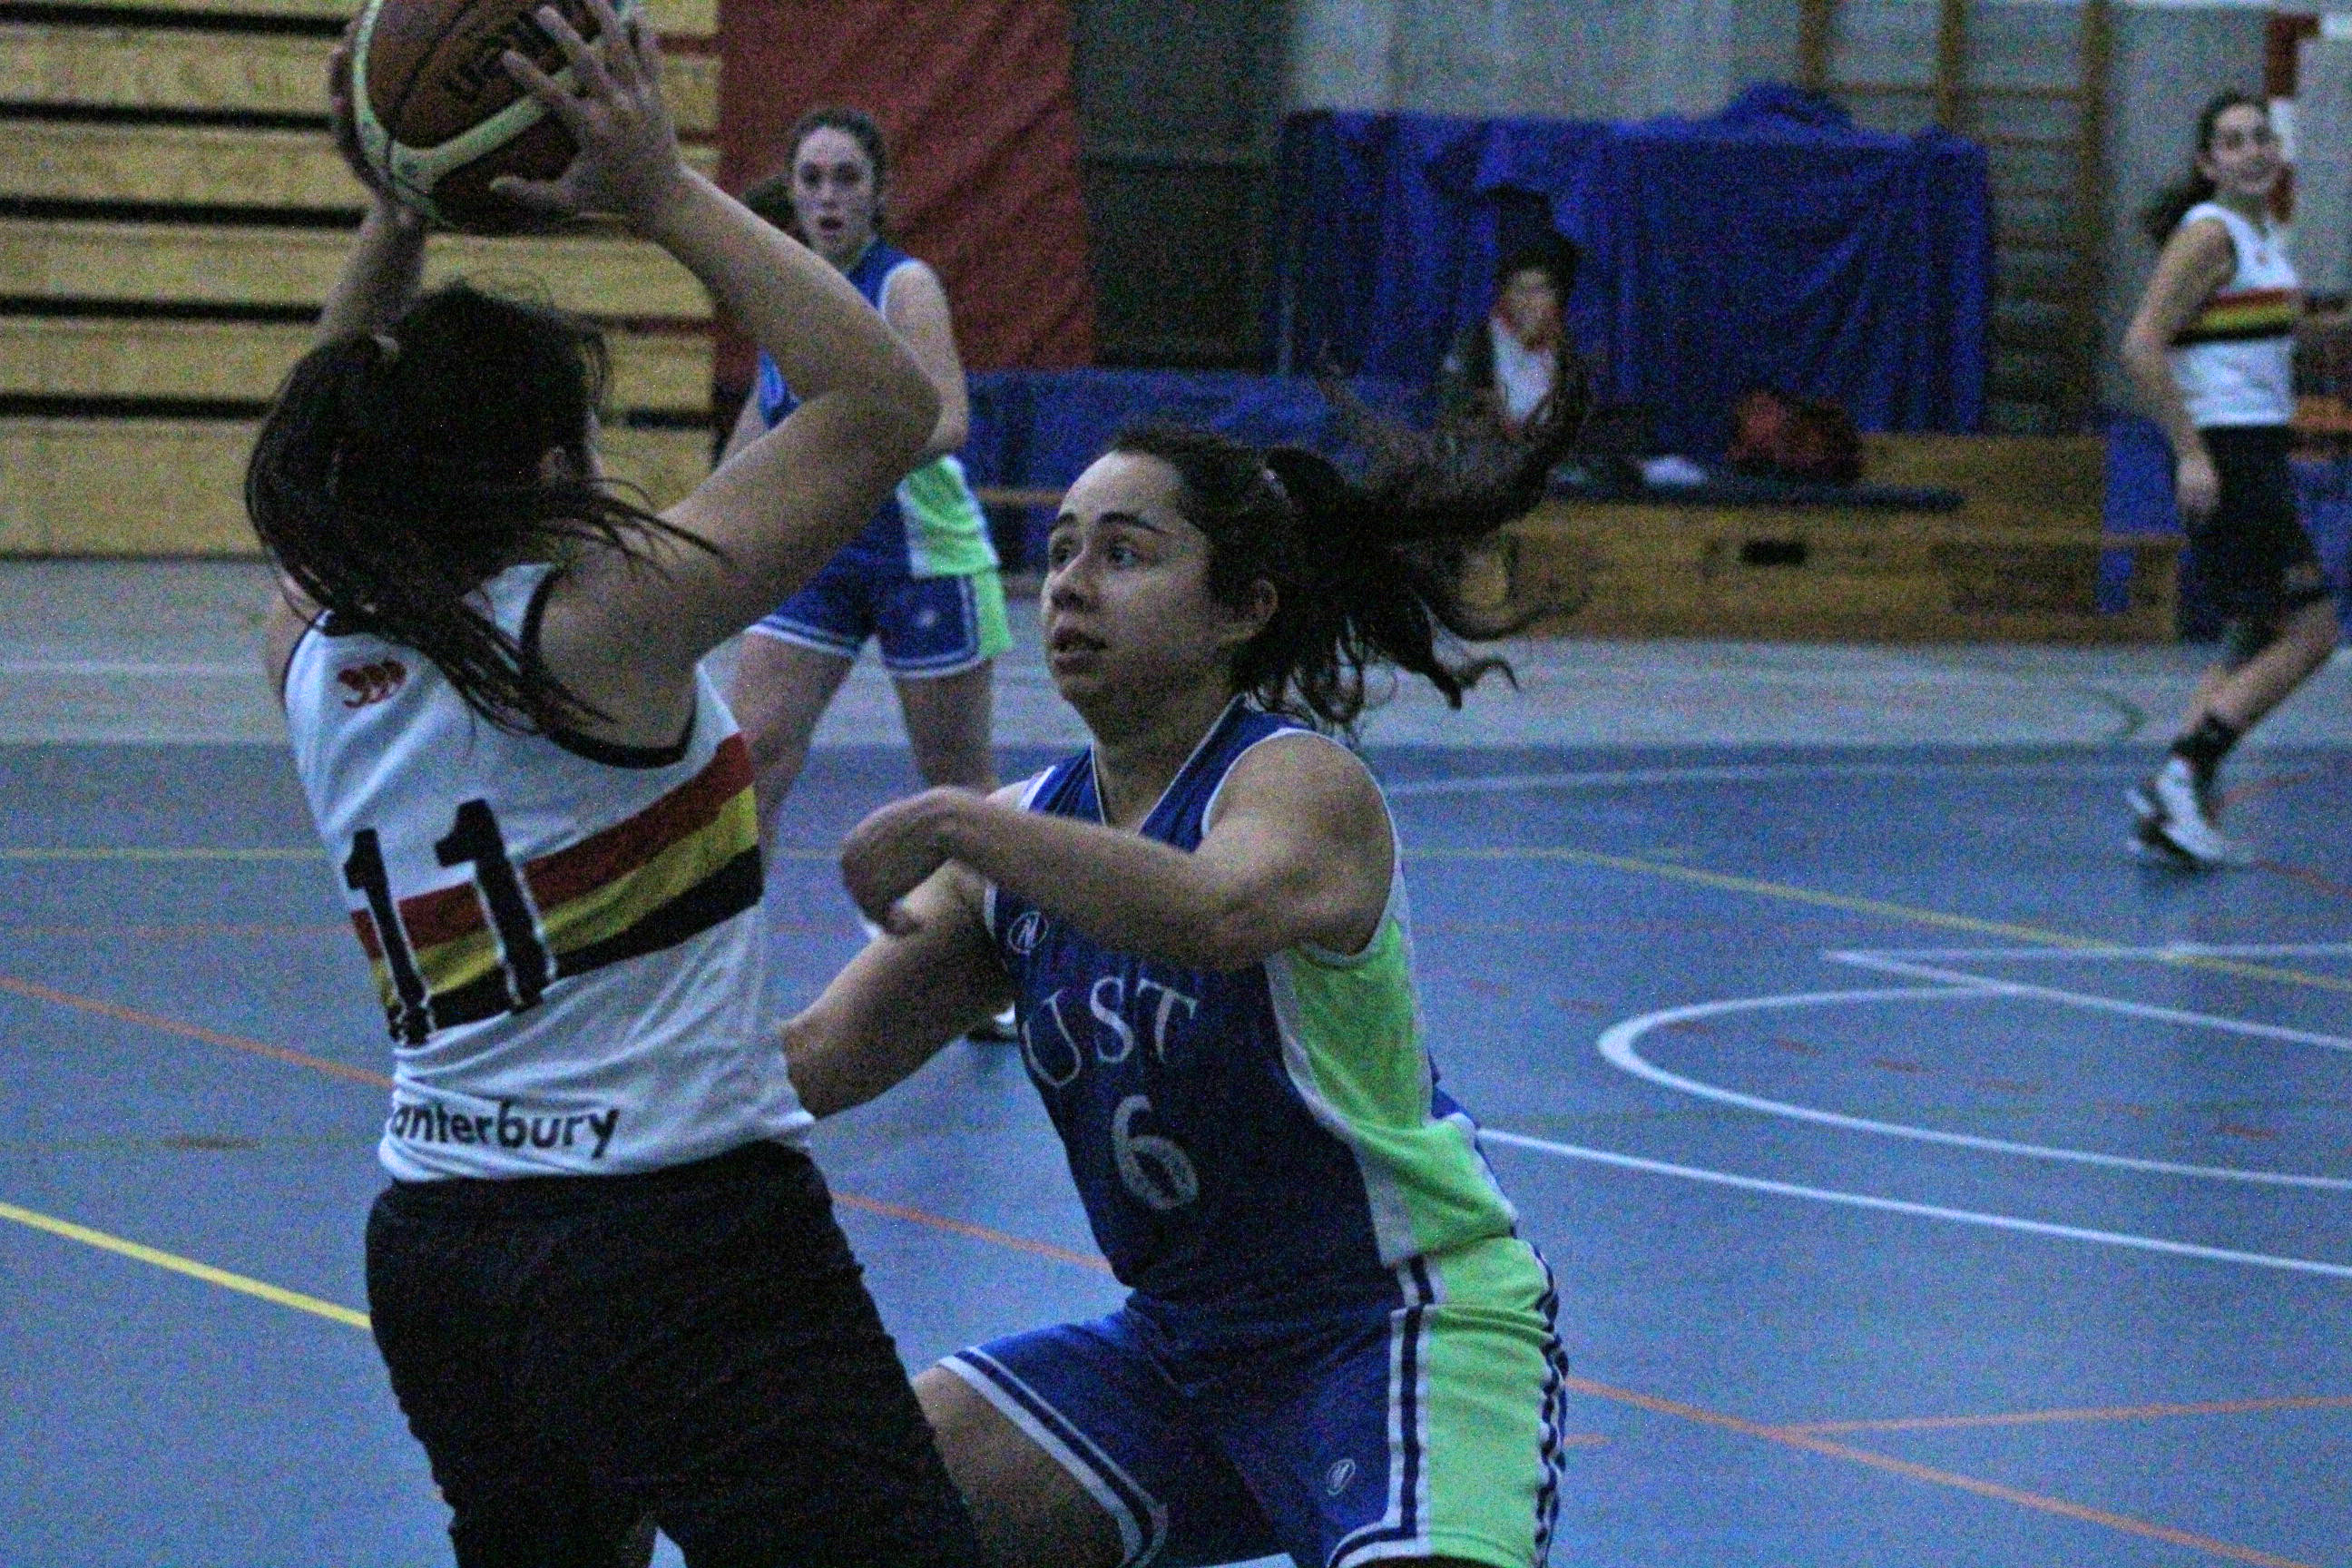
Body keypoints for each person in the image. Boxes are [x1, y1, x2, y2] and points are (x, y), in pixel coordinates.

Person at [247, 8, 983, 1562]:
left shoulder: (319, 647)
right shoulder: (596, 632)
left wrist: (398, 210)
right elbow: (882, 405)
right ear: (546, 474)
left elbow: (318, 446)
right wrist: (660, 192)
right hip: (674, 1240)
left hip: (438, 1240)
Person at [781, 410, 1580, 1568]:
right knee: (825, 1512)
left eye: (1124, 553)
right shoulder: (1014, 846)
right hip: (1178, 1354)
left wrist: (958, 817)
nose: (1071, 585)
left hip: (1396, 1329)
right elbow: (812, 1062)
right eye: (1061, 550)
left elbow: (1213, 913)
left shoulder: (1297, 785)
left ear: (1241, 609)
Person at [720, 107, 1006, 858]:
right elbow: (763, 414)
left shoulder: (903, 285)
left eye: (847, 179)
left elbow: (948, 422)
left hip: (923, 558)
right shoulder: (786, 285)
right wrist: (704, 515)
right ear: (792, 190)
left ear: (879, 193)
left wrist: (831, 460)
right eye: (812, 179)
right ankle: (734, 921)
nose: (828, 196)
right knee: (750, 759)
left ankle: (999, 919)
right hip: (818, 552)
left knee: (957, 784)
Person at [2121, 90, 2343, 867]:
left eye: (2261, 137)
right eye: (2234, 141)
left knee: (2252, 634)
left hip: (2255, 448)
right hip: (2226, 451)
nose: (2252, 151)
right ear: (2208, 162)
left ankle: (2172, 803)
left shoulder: (2261, 239)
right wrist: (2190, 452)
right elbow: (2141, 346)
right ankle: (2184, 775)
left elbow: (2280, 328)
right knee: (2313, 630)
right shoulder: (2209, 236)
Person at [1435, 236, 1586, 441]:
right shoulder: (1476, 343)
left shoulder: (1566, 349)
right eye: (1521, 290)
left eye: (1539, 290)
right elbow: (1453, 411)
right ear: (1505, 296)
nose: (1529, 301)